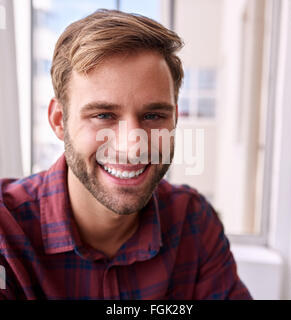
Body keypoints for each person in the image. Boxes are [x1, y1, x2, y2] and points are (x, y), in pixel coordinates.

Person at [0, 9, 252, 300]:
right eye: (104, 114)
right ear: (59, 120)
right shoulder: (7, 233)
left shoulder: (193, 221)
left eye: (154, 115)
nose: (133, 147)